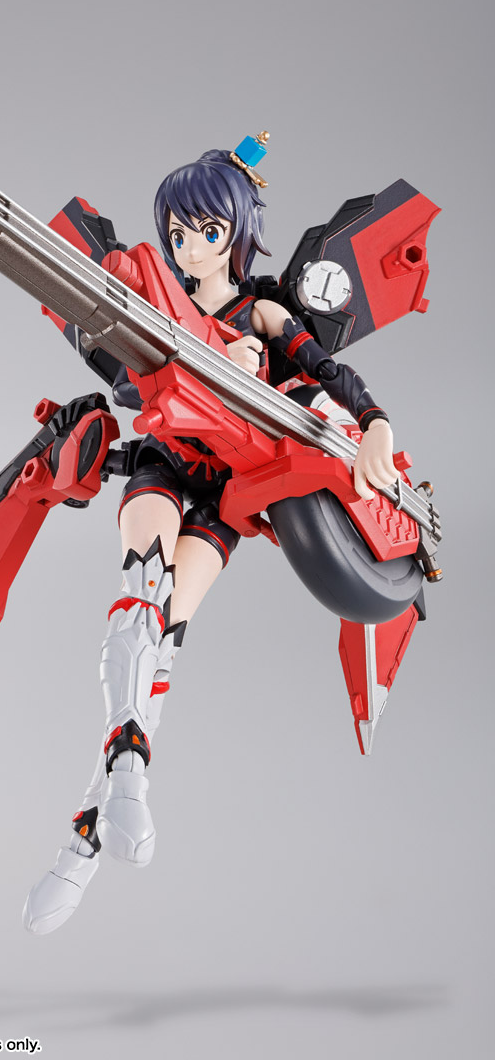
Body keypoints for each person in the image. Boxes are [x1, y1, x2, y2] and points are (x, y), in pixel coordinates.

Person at [22, 144, 399, 934]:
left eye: (206, 231)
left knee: (162, 644)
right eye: (178, 233)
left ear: (236, 232)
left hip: (230, 492)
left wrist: (376, 425)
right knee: (140, 600)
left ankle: (85, 837)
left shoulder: (261, 311)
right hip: (164, 463)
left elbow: (326, 371)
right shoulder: (160, 310)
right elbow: (134, 374)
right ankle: (126, 779)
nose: (190, 247)